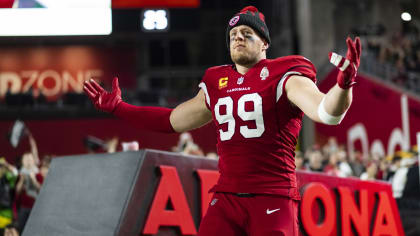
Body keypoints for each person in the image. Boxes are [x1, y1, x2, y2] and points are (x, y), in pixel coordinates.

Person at [83, 6, 361, 236]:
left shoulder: (286, 73)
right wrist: (119, 107)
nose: (238, 38)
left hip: (273, 197)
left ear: (264, 42)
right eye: (233, 35)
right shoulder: (217, 81)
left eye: (247, 33)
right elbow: (172, 121)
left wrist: (344, 85)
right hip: (226, 198)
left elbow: (327, 112)